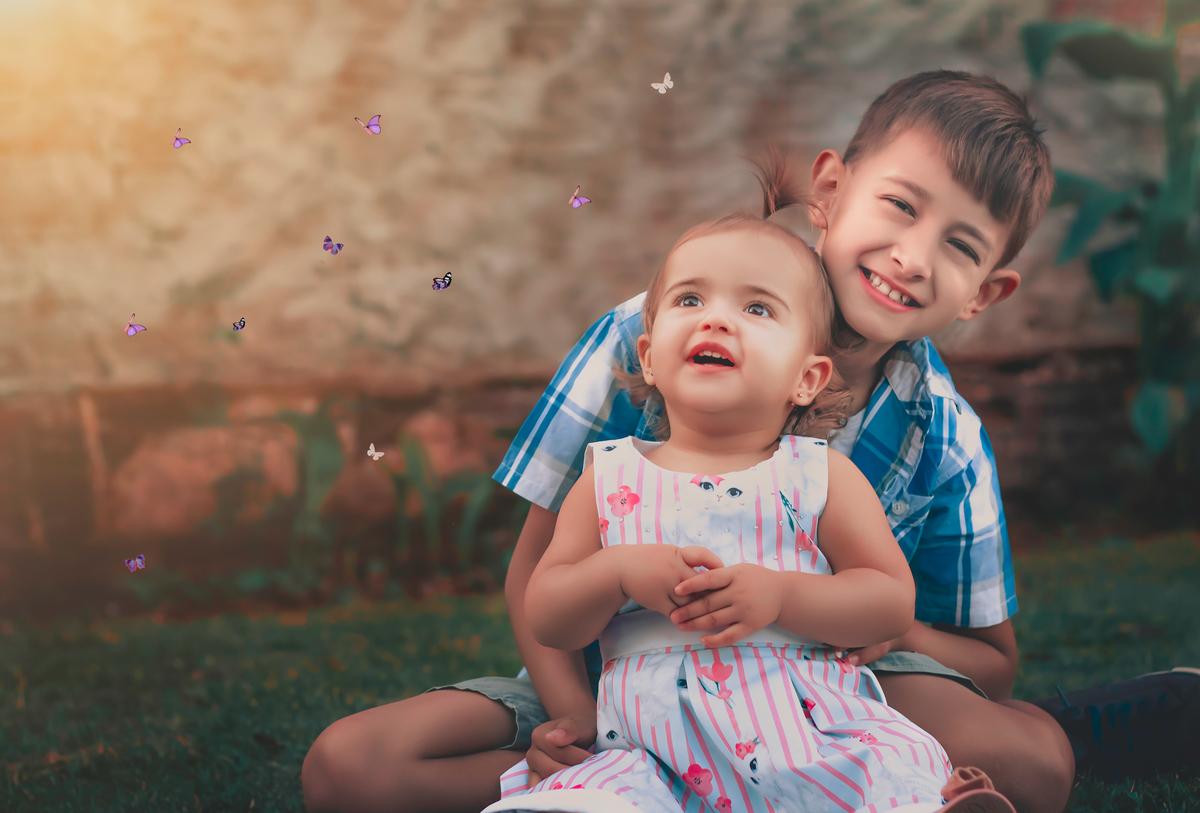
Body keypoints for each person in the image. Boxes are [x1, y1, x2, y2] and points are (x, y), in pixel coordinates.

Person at [300, 70, 1200, 813]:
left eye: (958, 245)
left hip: (823, 693)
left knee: (1035, 763)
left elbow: (991, 662)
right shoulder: (649, 339)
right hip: (630, 688)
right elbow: (533, 579)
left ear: (983, 294)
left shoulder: (941, 432)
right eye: (899, 205)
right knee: (348, 770)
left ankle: (918, 762)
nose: (912, 256)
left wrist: (822, 609)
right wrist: (577, 731)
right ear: (832, 191)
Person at [476, 147, 1021, 813]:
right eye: (690, 299)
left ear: (808, 378)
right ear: (645, 355)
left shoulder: (821, 475)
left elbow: (890, 602)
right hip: (649, 746)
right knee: (592, 799)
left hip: (807, 725)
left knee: (878, 774)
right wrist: (616, 571)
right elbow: (545, 608)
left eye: (757, 310)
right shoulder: (609, 474)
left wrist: (783, 595)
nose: (716, 319)